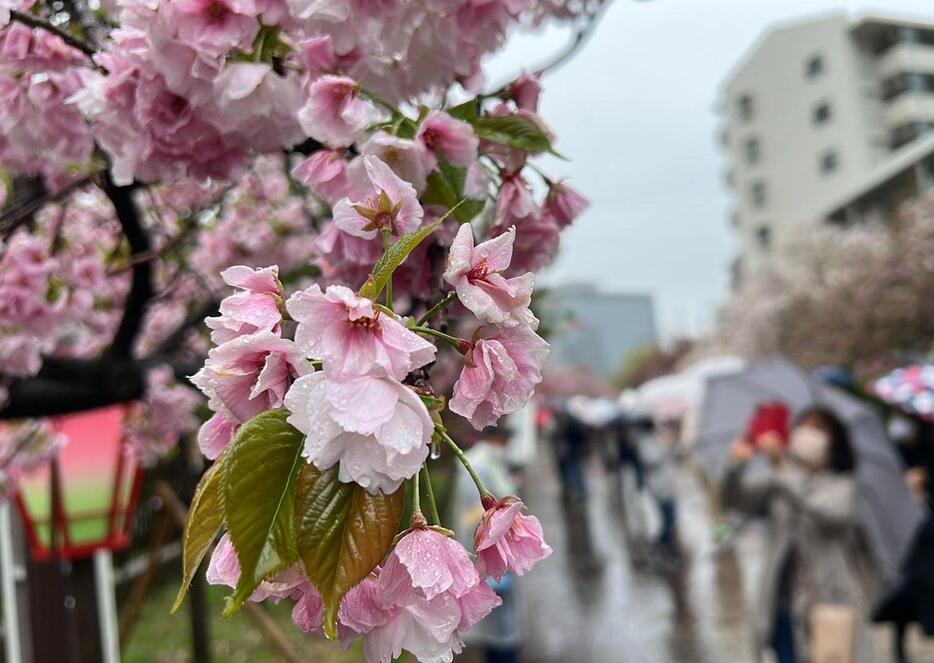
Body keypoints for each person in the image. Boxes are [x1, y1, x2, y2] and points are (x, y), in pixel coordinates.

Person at [721, 407, 871, 663]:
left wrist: (783, 468)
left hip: (826, 601)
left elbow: (829, 514)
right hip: (781, 603)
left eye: (818, 428)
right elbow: (735, 500)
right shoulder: (778, 478)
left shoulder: (842, 483)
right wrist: (735, 466)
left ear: (833, 439)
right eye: (804, 426)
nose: (808, 434)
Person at [454, 424, 523, 663]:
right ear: (498, 440)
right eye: (506, 442)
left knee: (500, 609)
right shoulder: (478, 464)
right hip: (486, 545)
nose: (507, 447)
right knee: (495, 607)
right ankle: (501, 653)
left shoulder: (491, 461)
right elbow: (472, 512)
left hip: (498, 544)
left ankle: (502, 649)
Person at [635, 416, 682, 561]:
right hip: (659, 487)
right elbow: (652, 460)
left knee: (670, 518)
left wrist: (673, 445)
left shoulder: (656, 438)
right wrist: (667, 449)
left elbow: (672, 456)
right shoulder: (644, 442)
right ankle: (665, 545)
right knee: (668, 518)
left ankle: (664, 543)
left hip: (667, 484)